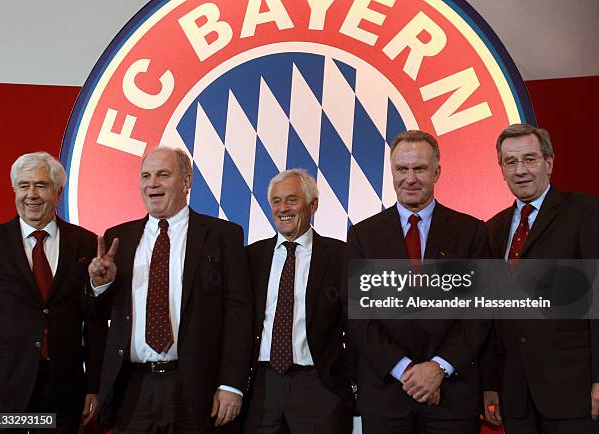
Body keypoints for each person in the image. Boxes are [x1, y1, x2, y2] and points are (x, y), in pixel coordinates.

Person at [89, 146, 253, 434]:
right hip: (133, 387)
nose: (152, 183)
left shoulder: (223, 235)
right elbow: (96, 317)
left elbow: (239, 315)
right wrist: (100, 285)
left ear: (187, 181)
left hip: (197, 387)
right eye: (146, 176)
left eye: (163, 175)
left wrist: (231, 384)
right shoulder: (119, 238)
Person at [347, 130, 491, 434]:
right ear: (392, 172)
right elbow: (359, 318)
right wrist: (406, 371)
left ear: (437, 172)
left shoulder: (471, 232)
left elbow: (479, 311)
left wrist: (438, 367)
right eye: (402, 169)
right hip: (386, 394)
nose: (410, 178)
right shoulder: (363, 236)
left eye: (420, 169)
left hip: (452, 396)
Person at [482, 123, 599, 433]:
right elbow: (490, 315)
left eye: (530, 159)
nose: (520, 170)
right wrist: (490, 384)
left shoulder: (587, 213)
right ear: (502, 169)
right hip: (516, 394)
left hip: (574, 391)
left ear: (549, 163)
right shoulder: (492, 230)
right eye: (511, 162)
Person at [0, 152, 104, 433]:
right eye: (23, 185)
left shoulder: (87, 244)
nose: (31, 195)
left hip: (63, 391)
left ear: (58, 191)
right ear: (14, 190)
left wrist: (95, 386)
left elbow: (96, 324)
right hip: (3, 392)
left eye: (40, 185)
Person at [242, 169, 354, 434]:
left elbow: (358, 326)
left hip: (319, 387)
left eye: (292, 200)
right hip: (261, 387)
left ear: (313, 205)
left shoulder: (341, 256)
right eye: (277, 201)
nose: (283, 209)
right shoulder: (250, 257)